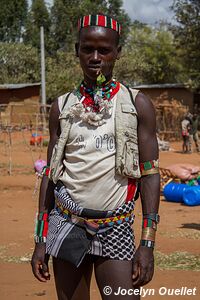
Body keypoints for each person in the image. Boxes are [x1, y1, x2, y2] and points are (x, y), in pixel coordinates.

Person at [31, 14, 160, 300]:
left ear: (118, 52)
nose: (95, 57)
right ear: (77, 50)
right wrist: (41, 239)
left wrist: (147, 243)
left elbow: (150, 174)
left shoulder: (136, 104)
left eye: (104, 50)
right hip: (67, 223)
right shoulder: (63, 106)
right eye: (88, 49)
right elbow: (51, 175)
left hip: (115, 226)